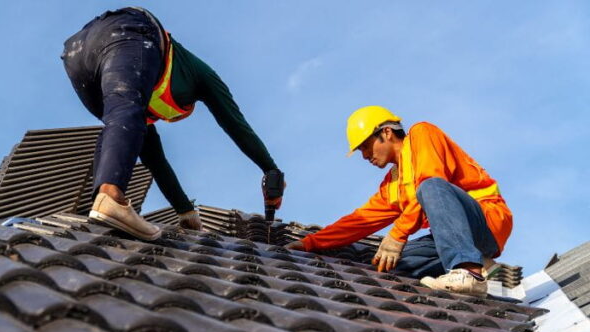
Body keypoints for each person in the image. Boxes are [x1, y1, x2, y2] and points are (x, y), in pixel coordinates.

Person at [61, 7, 284, 240]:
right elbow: (235, 124)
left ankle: (100, 206)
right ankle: (110, 196)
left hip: (77, 54)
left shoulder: (139, 101)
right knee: (127, 113)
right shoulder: (201, 75)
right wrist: (270, 169)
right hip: (129, 30)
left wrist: (185, 211)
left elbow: (156, 160)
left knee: (118, 128)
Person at [285, 106, 512, 297]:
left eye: (365, 146)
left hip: (486, 220)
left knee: (430, 186)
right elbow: (359, 220)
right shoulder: (393, 183)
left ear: (386, 132)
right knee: (393, 264)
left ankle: (470, 272)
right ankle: (477, 262)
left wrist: (397, 234)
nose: (365, 156)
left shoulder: (422, 134)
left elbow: (431, 181)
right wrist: (309, 243)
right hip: (454, 236)